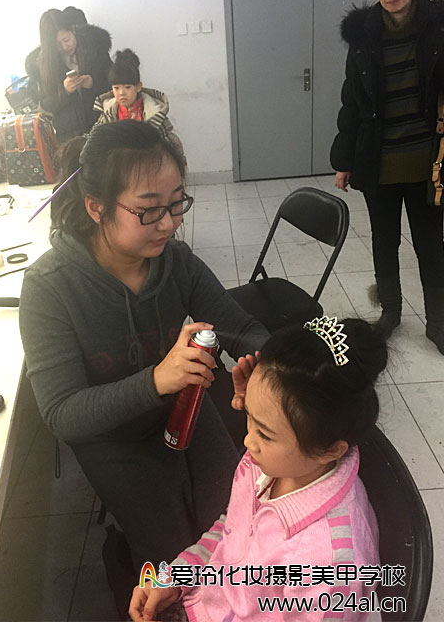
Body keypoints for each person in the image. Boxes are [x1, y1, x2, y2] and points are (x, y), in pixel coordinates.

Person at [19, 120, 269, 593]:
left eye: (176, 203)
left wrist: (278, 364)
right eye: (149, 209)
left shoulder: (177, 263)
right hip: (113, 438)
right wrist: (156, 380)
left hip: (187, 413)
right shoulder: (50, 287)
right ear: (95, 206)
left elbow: (243, 330)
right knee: (171, 564)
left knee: (237, 526)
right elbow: (63, 415)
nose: (169, 223)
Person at [129, 316, 387, 622]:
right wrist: (175, 579)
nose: (247, 441)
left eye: (265, 433)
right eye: (248, 416)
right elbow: (231, 533)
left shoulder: (330, 570)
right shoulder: (266, 465)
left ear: (330, 450)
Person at [330, 0, 444, 355]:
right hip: (378, 162)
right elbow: (351, 101)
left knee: (430, 244)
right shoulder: (364, 37)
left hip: (428, 163)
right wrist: (344, 160)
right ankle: (390, 313)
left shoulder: (438, 28)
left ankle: (438, 322)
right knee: (384, 240)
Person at [25, 8, 112, 142]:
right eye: (57, 45)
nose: (65, 47)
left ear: (73, 29)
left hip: (103, 127)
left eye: (66, 39)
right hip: (69, 137)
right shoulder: (43, 65)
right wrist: (65, 91)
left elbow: (116, 86)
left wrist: (92, 83)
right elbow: (44, 106)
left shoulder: (95, 48)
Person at [93, 48, 185, 160]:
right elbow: (94, 141)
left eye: (127, 87)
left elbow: (171, 146)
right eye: (116, 88)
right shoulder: (108, 114)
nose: (121, 93)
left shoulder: (155, 114)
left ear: (138, 87)